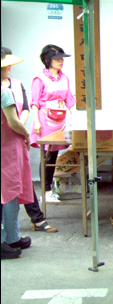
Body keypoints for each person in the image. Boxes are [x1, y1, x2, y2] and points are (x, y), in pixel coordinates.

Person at [1, 47, 58, 233]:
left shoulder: (15, 84)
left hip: (16, 137)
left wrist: (19, 127)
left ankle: (34, 219)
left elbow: (24, 108)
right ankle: (9, 233)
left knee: (23, 179)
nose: (9, 67)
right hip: (6, 139)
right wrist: (21, 129)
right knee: (7, 185)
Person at [30, 45, 76, 204]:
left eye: (62, 58)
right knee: (46, 156)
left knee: (54, 156)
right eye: (57, 59)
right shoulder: (39, 79)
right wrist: (36, 121)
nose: (60, 61)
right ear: (47, 60)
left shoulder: (65, 78)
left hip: (60, 120)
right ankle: (45, 191)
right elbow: (34, 102)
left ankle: (51, 188)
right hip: (45, 120)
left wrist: (76, 116)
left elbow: (70, 99)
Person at [1, 50, 34, 259]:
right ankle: (7, 239)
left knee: (8, 193)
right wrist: (26, 132)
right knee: (10, 193)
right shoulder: (4, 91)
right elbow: (14, 122)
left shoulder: (11, 87)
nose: (10, 68)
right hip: (7, 146)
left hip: (6, 146)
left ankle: (12, 236)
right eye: (7, 65)